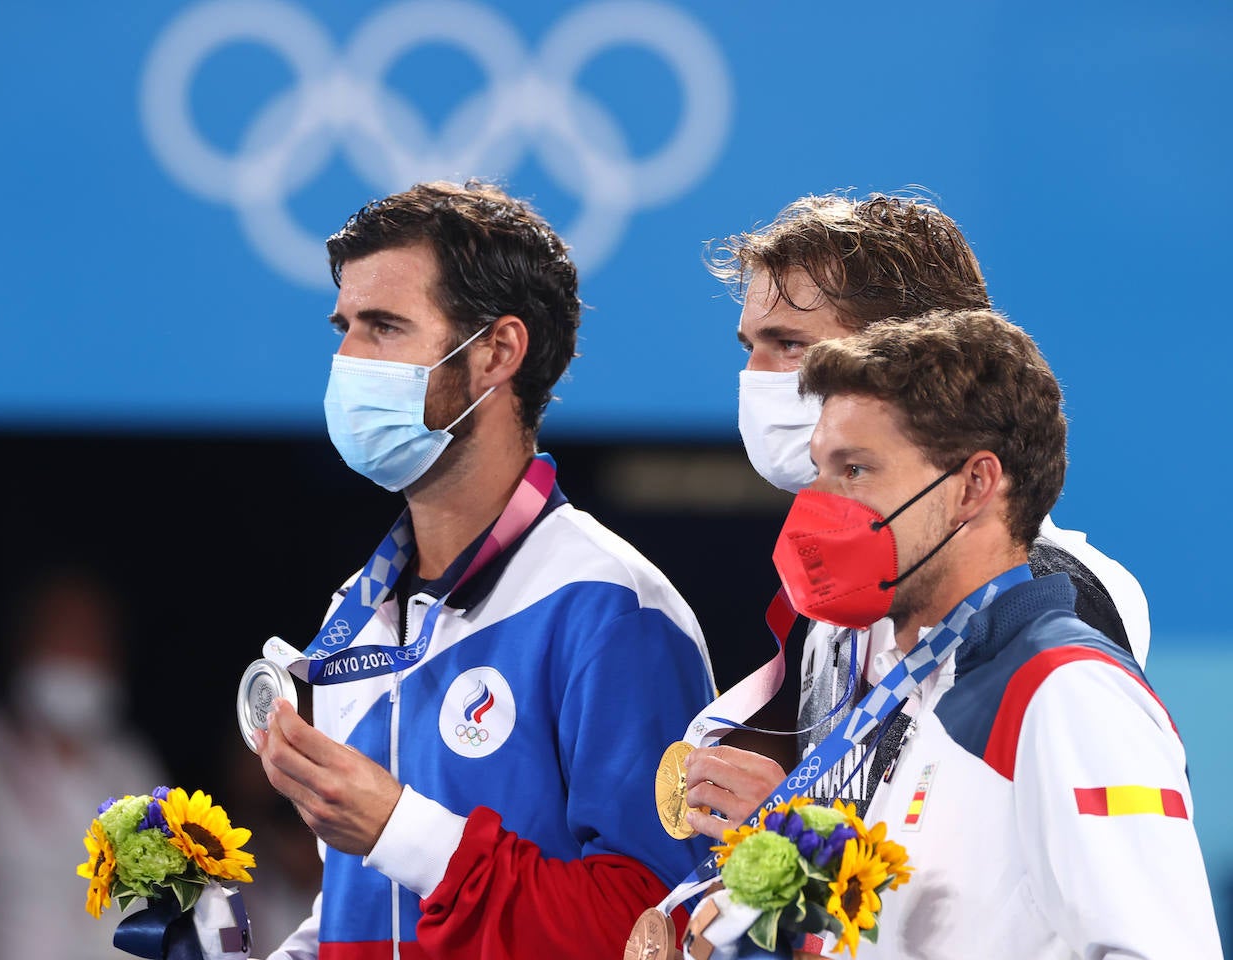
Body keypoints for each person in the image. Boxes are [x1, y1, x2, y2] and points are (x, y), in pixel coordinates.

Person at [252, 181, 715, 959]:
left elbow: (657, 927)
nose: (346, 361)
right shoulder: (356, 617)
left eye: (384, 327)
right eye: (344, 328)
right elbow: (368, 909)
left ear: (498, 352)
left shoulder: (609, 606)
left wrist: (402, 828)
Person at [685, 310, 1221, 958]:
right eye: (819, 469)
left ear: (974, 486)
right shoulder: (908, 684)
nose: (816, 504)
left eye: (854, 471)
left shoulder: (1068, 692)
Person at [683, 195, 1150, 832]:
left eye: (790, 346)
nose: (753, 377)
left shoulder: (1052, 597)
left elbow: (1025, 875)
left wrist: (794, 831)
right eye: (750, 347)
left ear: (911, 356)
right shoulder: (841, 600)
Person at [0, 569, 168, 960]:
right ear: (24, 644)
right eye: (62, 635)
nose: (77, 654)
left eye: (91, 640)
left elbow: (156, 902)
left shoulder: (132, 764)